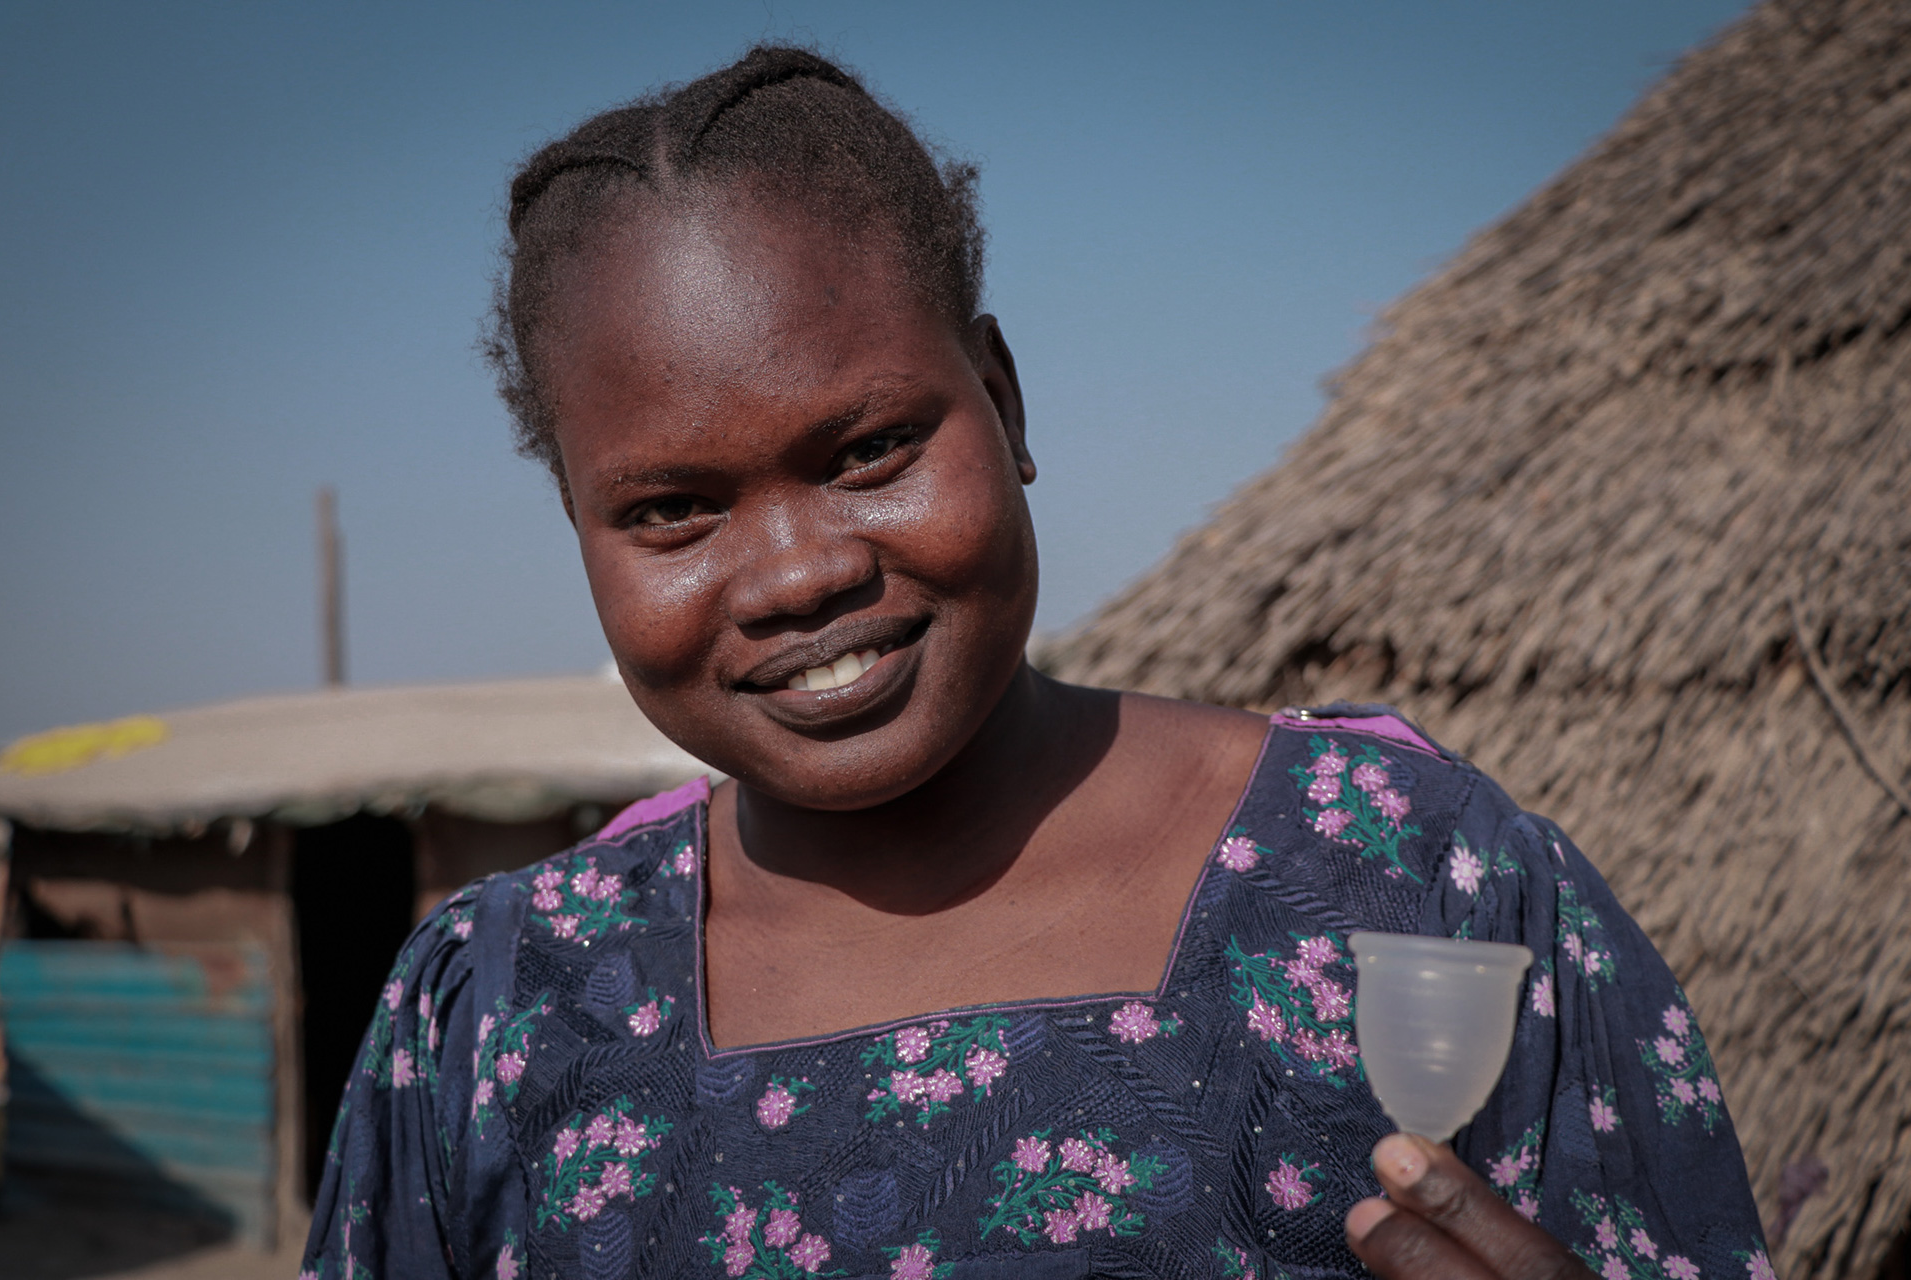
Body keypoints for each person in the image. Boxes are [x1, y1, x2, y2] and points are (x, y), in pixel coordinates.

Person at [300, 46, 1769, 1280]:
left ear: (1000, 401)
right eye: (672, 510)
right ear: (582, 530)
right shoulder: (500, 1016)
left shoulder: (1415, 882)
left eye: (873, 450)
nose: (804, 570)